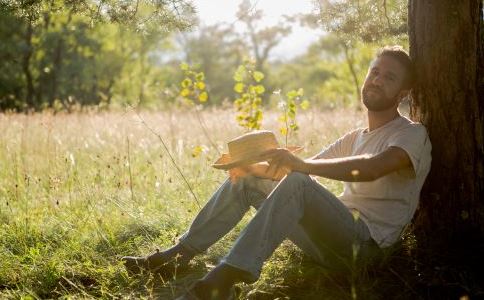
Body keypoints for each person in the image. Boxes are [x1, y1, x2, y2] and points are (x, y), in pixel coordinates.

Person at [122, 45, 432, 300]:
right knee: (252, 179)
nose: (377, 80)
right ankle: (177, 256)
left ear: (403, 93)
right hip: (327, 242)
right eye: (374, 71)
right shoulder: (354, 136)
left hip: (366, 249)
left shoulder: (410, 134)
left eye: (389, 78)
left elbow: (372, 168)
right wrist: (248, 169)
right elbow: (297, 176)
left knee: (297, 179)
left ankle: (224, 280)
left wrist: (299, 166)